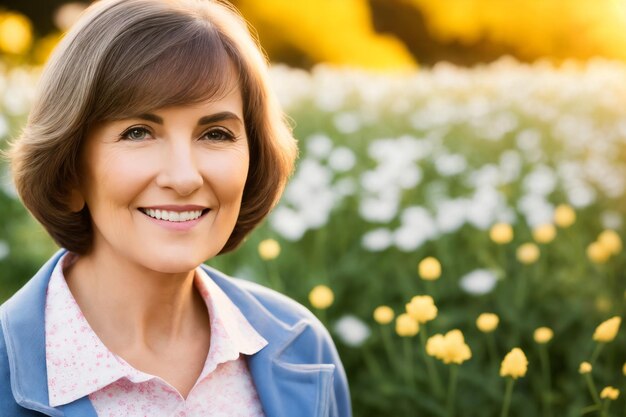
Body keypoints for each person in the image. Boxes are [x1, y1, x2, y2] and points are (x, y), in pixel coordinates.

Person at [0, 0, 351, 416]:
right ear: (70, 169)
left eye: (216, 134)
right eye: (138, 132)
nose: (184, 177)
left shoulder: (302, 346)